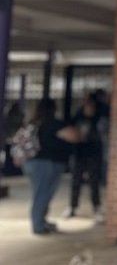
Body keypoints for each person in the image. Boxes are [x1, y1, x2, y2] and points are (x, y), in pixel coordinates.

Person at [23, 98, 80, 235]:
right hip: (47, 163)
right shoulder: (54, 124)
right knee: (43, 194)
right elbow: (74, 136)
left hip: (30, 162)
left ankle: (41, 221)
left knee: (39, 193)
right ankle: (38, 225)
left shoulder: (33, 123)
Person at [63, 94, 105, 222]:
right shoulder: (78, 117)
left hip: (94, 154)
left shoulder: (99, 118)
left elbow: (102, 134)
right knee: (76, 181)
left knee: (94, 182)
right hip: (79, 153)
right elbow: (70, 131)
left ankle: (96, 207)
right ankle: (72, 206)